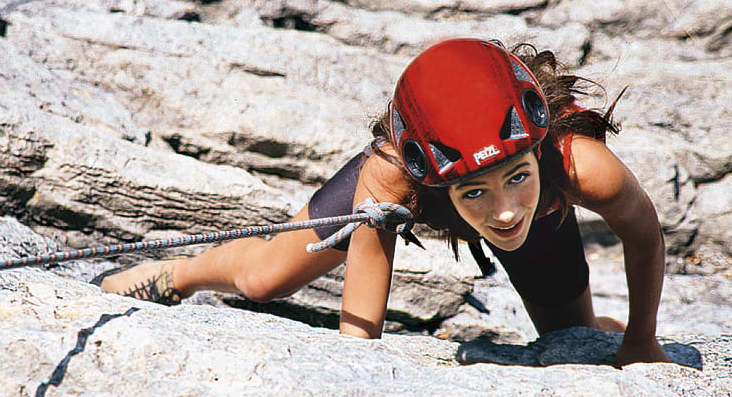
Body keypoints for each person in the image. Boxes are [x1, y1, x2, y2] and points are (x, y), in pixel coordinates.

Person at [94, 38, 671, 366]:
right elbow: (360, 330)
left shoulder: (576, 164)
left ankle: (602, 323)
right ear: (431, 173)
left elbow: (644, 234)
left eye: (516, 176)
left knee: (573, 335)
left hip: (544, 217)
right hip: (415, 191)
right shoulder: (392, 177)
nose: (503, 210)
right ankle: (178, 270)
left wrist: (641, 341)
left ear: (537, 143)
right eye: (475, 191)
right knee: (266, 278)